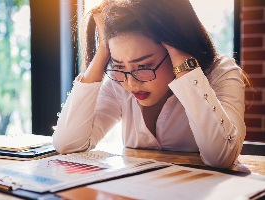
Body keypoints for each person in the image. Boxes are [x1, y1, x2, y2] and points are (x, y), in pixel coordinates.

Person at [53, 0, 246, 168]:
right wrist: (103, 49)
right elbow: (68, 144)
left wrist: (181, 57)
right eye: (118, 64)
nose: (131, 82)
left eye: (144, 65)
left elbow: (221, 157)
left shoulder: (222, 74)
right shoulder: (119, 82)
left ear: (175, 47)